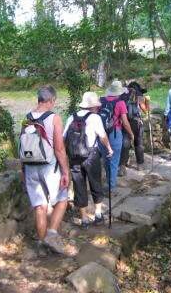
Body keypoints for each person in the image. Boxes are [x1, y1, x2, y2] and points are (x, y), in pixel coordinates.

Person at [21, 86, 78, 257]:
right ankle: (52, 234)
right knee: (62, 199)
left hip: (30, 166)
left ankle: (41, 245)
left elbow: (21, 146)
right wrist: (66, 172)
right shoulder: (54, 118)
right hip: (49, 166)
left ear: (39, 99)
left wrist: (22, 170)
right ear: (51, 100)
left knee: (40, 207)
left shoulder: (27, 118)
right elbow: (59, 148)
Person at [63, 92, 113, 229]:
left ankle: (84, 219)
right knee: (95, 183)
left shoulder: (71, 117)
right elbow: (102, 136)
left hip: (74, 158)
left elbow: (64, 137)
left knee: (79, 186)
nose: (98, 108)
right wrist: (109, 149)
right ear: (93, 106)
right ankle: (97, 215)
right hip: (91, 156)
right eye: (97, 106)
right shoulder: (95, 118)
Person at [101, 80, 134, 190]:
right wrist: (131, 134)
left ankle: (108, 181)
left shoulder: (101, 101)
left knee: (106, 159)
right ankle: (111, 187)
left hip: (102, 134)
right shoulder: (120, 103)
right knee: (114, 161)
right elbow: (125, 122)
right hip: (115, 133)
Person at [119, 81, 147, 176]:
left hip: (125, 122)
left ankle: (122, 167)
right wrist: (147, 102)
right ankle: (140, 165)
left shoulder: (123, 95)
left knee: (125, 144)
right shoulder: (139, 96)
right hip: (136, 122)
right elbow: (145, 109)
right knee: (138, 143)